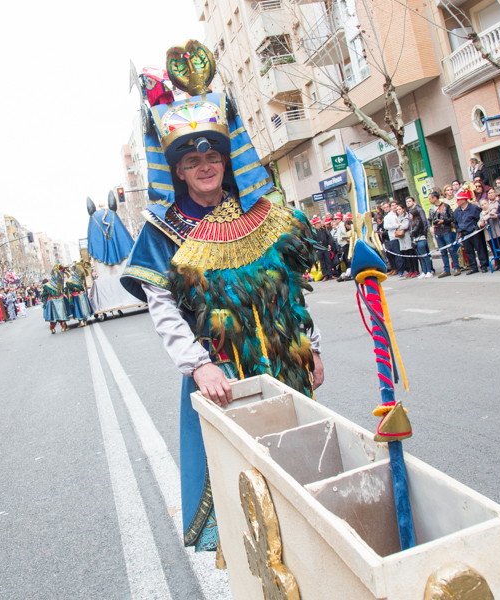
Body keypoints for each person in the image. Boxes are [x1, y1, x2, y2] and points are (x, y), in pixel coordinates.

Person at [119, 44, 323, 553]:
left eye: (213, 154)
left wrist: (311, 345)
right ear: (180, 171)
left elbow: (289, 288)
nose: (206, 165)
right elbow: (162, 307)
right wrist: (198, 366)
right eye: (192, 160)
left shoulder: (264, 212)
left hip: (285, 365)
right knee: (246, 497)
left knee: (301, 477)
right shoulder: (164, 229)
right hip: (223, 378)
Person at [454, 189, 487, 274]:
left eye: (459, 199)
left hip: (474, 232)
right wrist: (458, 230)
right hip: (464, 233)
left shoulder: (474, 208)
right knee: (469, 251)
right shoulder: (457, 211)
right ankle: (473, 267)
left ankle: (484, 265)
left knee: (480, 249)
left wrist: (476, 227)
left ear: (464, 200)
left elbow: (478, 218)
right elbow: (455, 222)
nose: (457, 201)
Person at [428, 191, 459, 277]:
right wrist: (430, 227)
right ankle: (446, 269)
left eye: (430, 199)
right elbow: (429, 219)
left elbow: (452, 217)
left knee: (451, 249)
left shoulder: (446, 206)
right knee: (443, 251)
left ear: (435, 198)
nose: (429, 200)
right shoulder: (431, 208)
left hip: (446, 230)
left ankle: (456, 267)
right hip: (437, 232)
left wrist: (444, 221)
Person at [408, 202, 434, 278]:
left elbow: (415, 231)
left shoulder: (418, 221)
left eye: (410, 214)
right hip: (416, 240)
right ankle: (424, 271)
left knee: (424, 256)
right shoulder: (413, 222)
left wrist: (411, 233)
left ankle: (429, 271)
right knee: (420, 257)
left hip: (421, 239)